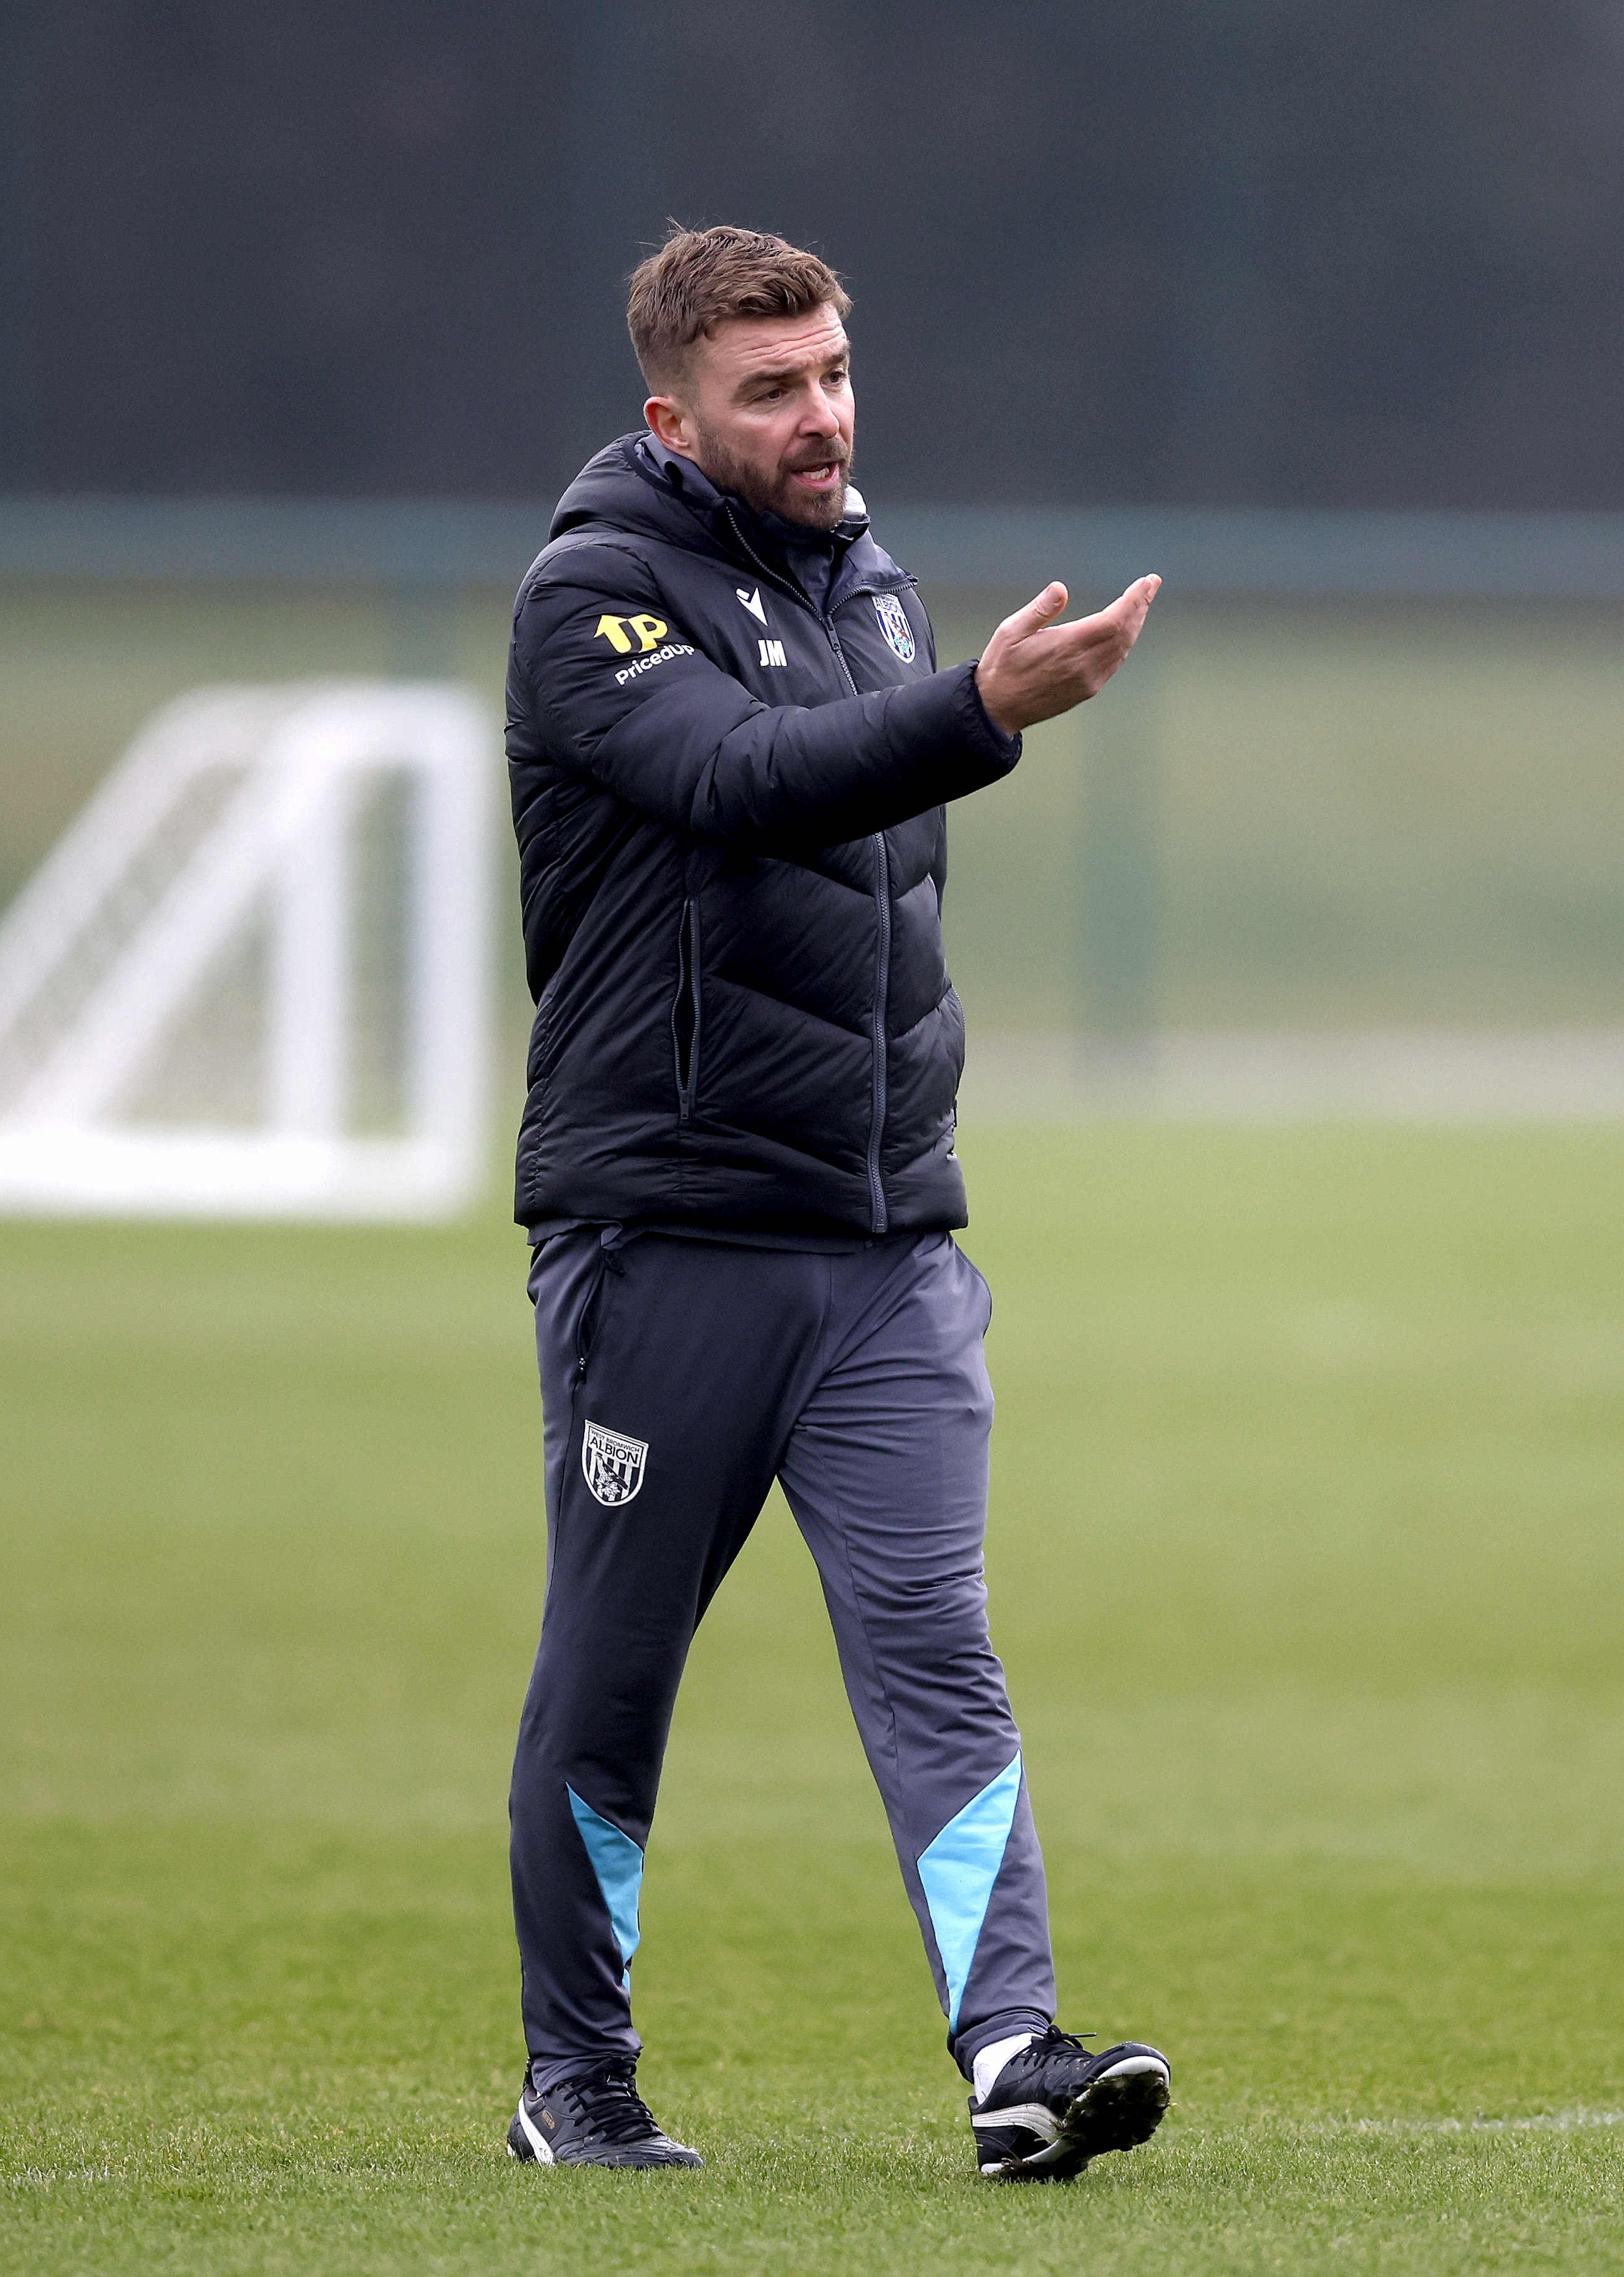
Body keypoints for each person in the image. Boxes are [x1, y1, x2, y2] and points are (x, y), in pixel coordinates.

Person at [496, 223, 1167, 2181]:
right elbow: (752, 779)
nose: (820, 415)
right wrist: (983, 705)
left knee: (936, 1644)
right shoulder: (592, 601)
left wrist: (954, 687)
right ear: (671, 414)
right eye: (769, 388)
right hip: (670, 1241)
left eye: (834, 373)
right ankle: (576, 2079)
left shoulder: (867, 577)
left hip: (885, 1250)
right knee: (613, 1680)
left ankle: (1013, 2054)